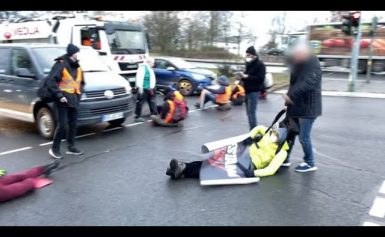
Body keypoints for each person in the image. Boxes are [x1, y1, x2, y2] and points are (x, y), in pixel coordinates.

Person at [166, 125, 290, 180]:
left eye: (276, 138)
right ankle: (182, 168)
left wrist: (254, 173)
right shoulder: (269, 132)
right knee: (213, 161)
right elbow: (259, 127)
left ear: (281, 141)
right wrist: (250, 136)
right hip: (243, 153)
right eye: (274, 134)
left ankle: (182, 169)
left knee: (217, 170)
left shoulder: (282, 152)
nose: (272, 137)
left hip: (250, 164)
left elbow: (271, 170)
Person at [282, 44, 322, 172]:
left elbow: (309, 84)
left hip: (308, 107)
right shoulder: (298, 65)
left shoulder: (313, 64)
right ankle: (284, 158)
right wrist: (287, 100)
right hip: (295, 106)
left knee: (304, 137)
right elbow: (293, 84)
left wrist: (291, 95)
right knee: (289, 133)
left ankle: (310, 163)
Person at [47, 44, 85, 159]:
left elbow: (81, 82)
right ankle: (54, 149)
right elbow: (51, 81)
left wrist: (80, 93)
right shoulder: (61, 64)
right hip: (63, 100)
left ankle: (71, 147)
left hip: (74, 99)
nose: (78, 55)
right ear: (72, 54)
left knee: (73, 124)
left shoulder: (78, 66)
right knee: (62, 125)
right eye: (77, 52)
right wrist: (59, 95)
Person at [241, 46, 266, 130]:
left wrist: (247, 77)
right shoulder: (249, 64)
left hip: (254, 91)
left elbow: (260, 78)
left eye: (248, 55)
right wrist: (241, 76)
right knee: (249, 113)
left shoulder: (260, 64)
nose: (247, 56)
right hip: (247, 90)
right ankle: (252, 131)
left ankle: (254, 133)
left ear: (253, 55)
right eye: (246, 55)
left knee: (251, 113)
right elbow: (246, 75)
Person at [134, 57, 158, 122]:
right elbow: (139, 78)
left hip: (150, 88)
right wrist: (140, 87)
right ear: (149, 62)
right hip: (144, 88)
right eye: (153, 63)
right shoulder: (142, 68)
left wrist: (152, 87)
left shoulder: (149, 68)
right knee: (140, 102)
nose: (153, 64)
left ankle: (154, 114)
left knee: (152, 101)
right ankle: (137, 116)